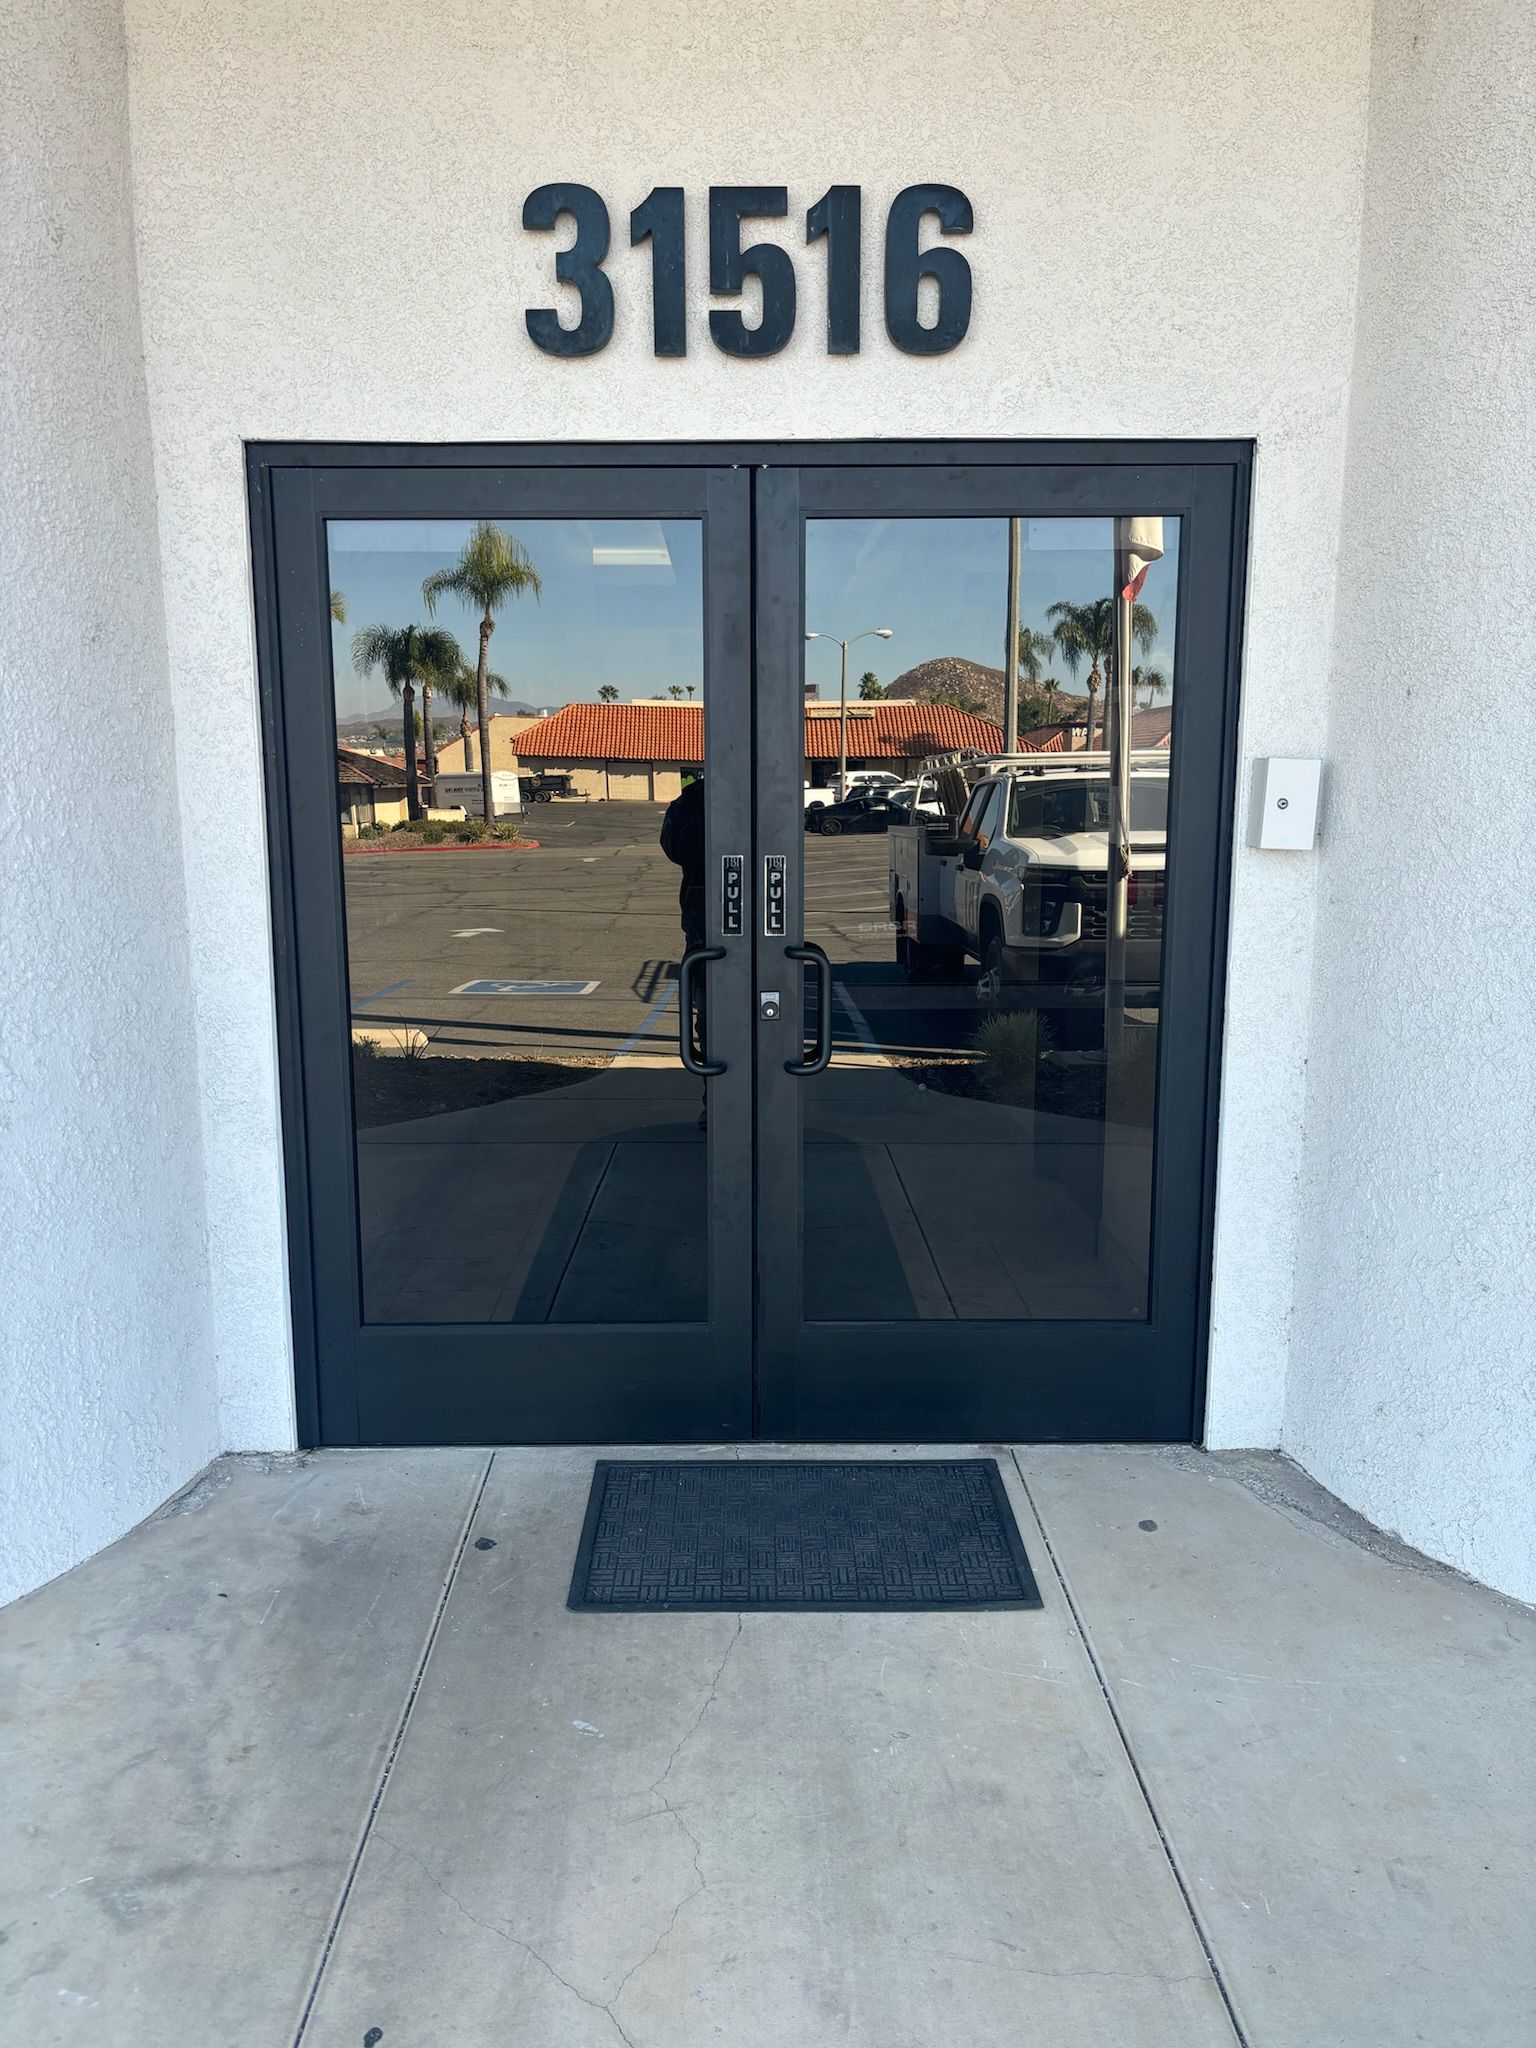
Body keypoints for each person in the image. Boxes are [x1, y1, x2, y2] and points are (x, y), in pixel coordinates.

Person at [659, 776, 708, 1124]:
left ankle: (718, 1101)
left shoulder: (690, 800)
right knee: (714, 1018)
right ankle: (720, 1100)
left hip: (703, 919)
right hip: (710, 924)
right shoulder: (694, 800)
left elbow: (673, 846)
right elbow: (676, 846)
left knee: (711, 1017)